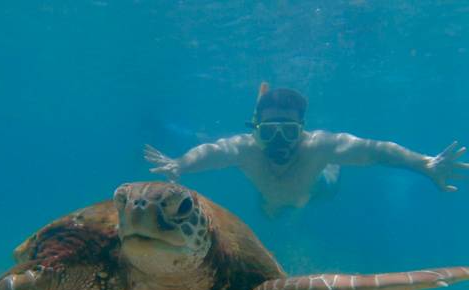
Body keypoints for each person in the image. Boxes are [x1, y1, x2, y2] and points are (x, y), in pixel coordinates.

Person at [145, 83, 468, 217]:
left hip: (317, 188)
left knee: (324, 183)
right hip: (271, 196)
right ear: (255, 128)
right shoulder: (243, 149)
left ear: (304, 129)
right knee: (269, 212)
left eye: (290, 131)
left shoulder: (318, 145)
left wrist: (423, 163)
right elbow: (211, 153)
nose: (281, 141)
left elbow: (379, 151)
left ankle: (333, 167)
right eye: (270, 132)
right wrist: (180, 165)